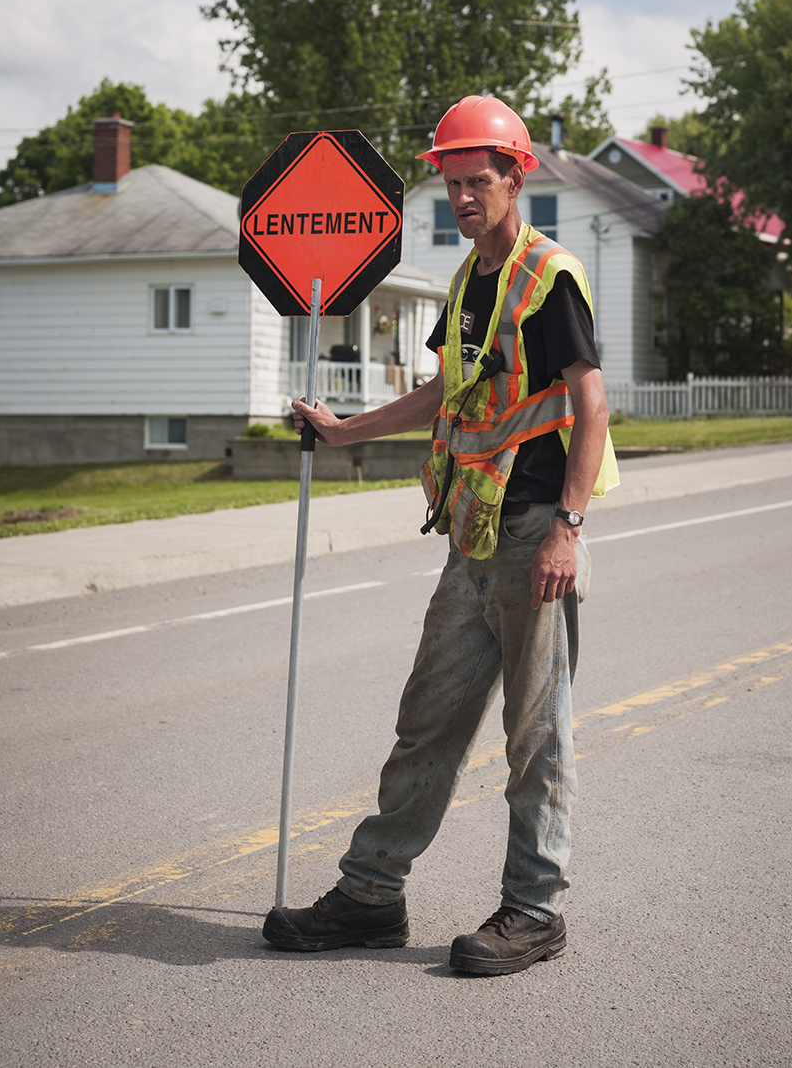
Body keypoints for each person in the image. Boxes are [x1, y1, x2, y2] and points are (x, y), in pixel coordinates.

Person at [262, 96, 618, 975]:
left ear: (513, 178)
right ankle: (370, 897)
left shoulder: (547, 276)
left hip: (537, 532)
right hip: (472, 532)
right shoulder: (466, 282)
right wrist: (347, 431)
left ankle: (534, 910)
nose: (461, 196)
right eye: (450, 182)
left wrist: (568, 530)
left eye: (475, 180)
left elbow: (591, 404)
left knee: (535, 735)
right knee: (426, 720)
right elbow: (446, 395)